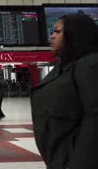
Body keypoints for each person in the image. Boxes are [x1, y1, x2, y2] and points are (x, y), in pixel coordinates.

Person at [31, 13, 98, 169]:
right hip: (61, 159)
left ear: (75, 34)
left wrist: (78, 163)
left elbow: (95, 118)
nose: (52, 36)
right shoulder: (66, 66)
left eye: (57, 31)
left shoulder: (90, 64)